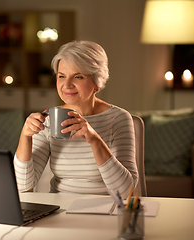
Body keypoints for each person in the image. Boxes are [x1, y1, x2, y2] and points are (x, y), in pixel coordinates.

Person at [14, 40, 138, 198]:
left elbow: (126, 191)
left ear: (97, 83)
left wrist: (94, 139)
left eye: (78, 77)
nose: (67, 85)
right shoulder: (49, 119)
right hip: (59, 210)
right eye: (61, 76)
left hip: (105, 210)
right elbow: (22, 185)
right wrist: (25, 136)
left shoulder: (118, 119)